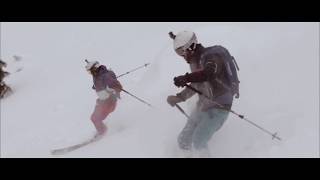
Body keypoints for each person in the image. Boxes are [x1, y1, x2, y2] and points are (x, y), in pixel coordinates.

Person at [167, 31, 240, 157]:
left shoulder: (212, 57)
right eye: (179, 53)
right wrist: (179, 98)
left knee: (198, 141)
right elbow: (197, 84)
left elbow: (208, 73)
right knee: (183, 140)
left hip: (219, 107)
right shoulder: (196, 63)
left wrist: (186, 78)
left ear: (191, 47)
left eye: (182, 51)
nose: (182, 56)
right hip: (203, 106)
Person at [85, 60, 122, 136]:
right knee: (94, 118)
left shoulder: (105, 76)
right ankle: (103, 130)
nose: (91, 73)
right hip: (102, 101)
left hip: (109, 102)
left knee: (95, 118)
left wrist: (115, 89)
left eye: (91, 71)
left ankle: (103, 132)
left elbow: (117, 86)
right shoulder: (97, 76)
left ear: (96, 68)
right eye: (89, 72)